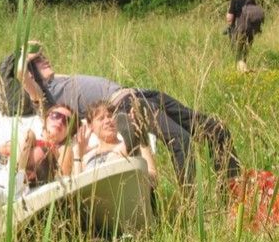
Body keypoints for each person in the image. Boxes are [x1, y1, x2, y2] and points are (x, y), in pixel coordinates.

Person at [18, 44, 241, 188]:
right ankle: (191, 208)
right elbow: (19, 73)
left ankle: (232, 188)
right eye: (38, 61)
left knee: (216, 129)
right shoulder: (44, 96)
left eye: (44, 57)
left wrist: (37, 54)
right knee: (181, 140)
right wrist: (26, 54)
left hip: (142, 93)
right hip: (126, 104)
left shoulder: (59, 79)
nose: (44, 60)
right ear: (31, 71)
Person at [71, 100, 157, 184]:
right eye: (101, 119)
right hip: (97, 192)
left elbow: (153, 175)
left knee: (123, 150)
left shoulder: (125, 144)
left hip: (130, 186)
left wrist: (142, 141)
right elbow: (76, 188)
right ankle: (135, 138)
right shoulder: (88, 156)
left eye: (110, 116)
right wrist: (78, 154)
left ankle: (139, 134)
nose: (108, 121)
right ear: (91, 126)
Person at [225, 0, 260, 72]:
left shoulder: (235, 0)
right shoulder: (252, 0)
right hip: (250, 31)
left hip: (238, 30)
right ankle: (244, 69)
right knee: (245, 52)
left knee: (237, 53)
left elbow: (229, 18)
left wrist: (228, 18)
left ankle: (243, 71)